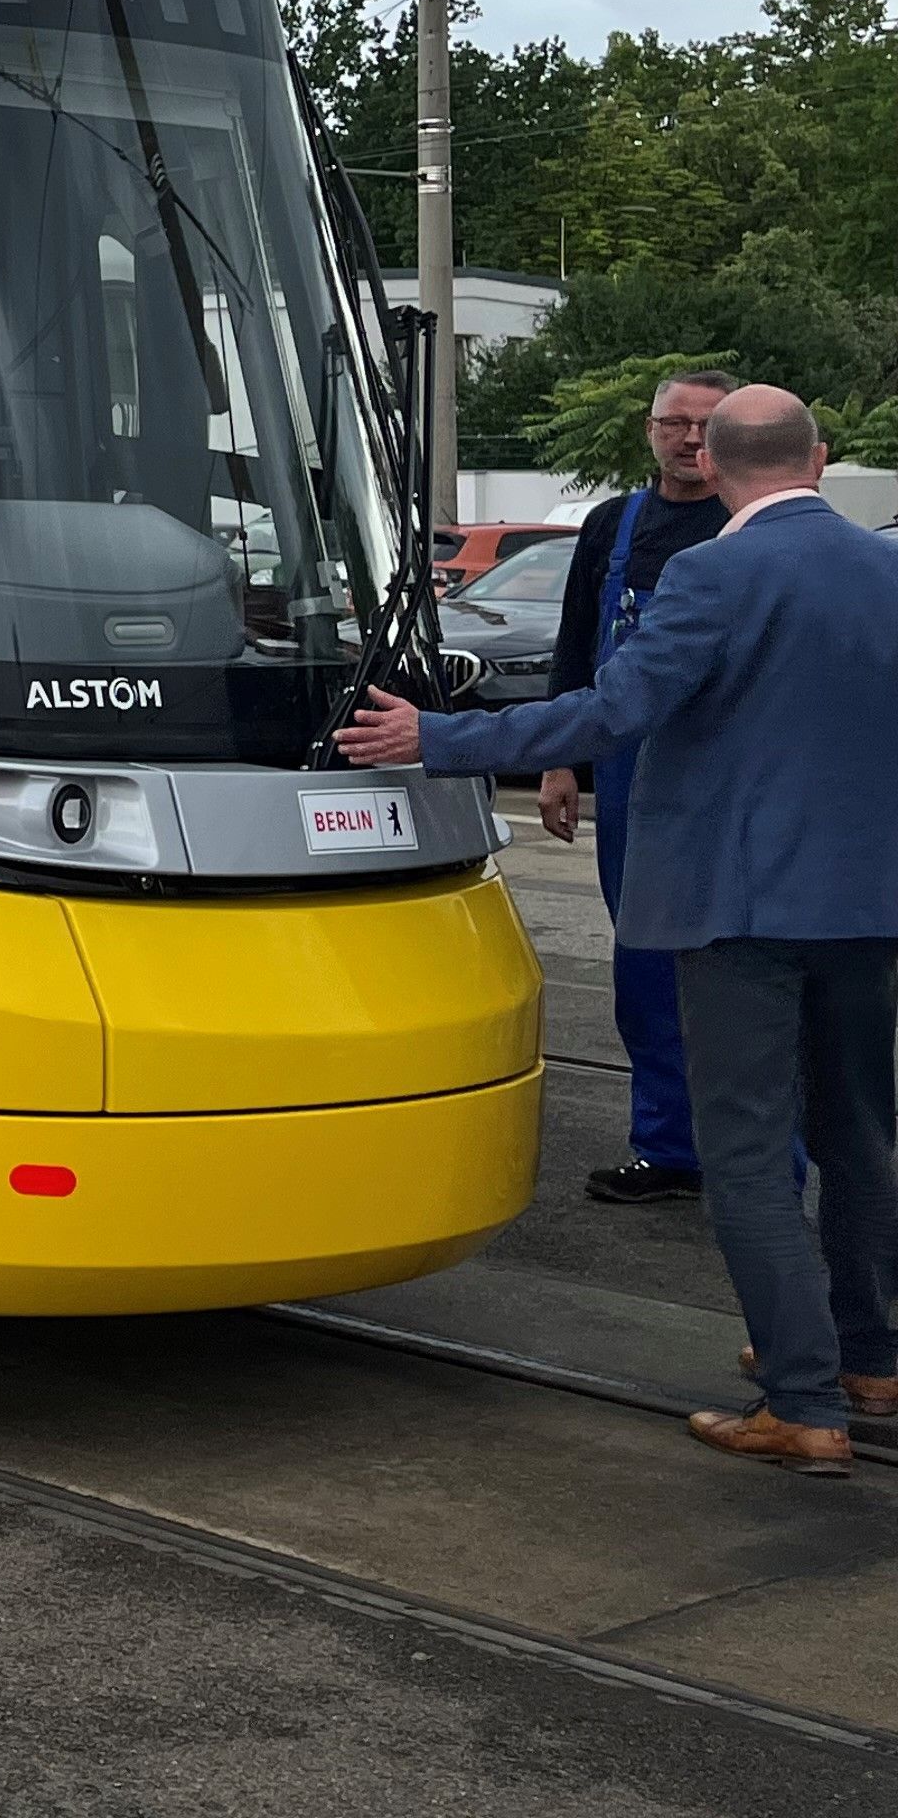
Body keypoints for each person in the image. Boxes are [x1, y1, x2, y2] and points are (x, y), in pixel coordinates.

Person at [339, 387, 898, 1473]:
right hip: (868, 905)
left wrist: (436, 735)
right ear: (819, 460)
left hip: (737, 905)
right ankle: (873, 1358)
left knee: (740, 1152)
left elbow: (614, 710)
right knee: (860, 1134)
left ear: (718, 463)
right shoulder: (887, 570)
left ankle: (803, 1401)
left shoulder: (713, 573)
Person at [534, 367, 739, 1203]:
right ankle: (667, 1148)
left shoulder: (746, 526)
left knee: (738, 968)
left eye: (707, 427)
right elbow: (577, 642)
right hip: (625, 769)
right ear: (650, 429)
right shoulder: (613, 525)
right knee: (644, 960)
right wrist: (559, 761)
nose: (690, 441)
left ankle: (752, 1163)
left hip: (726, 768)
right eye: (674, 423)